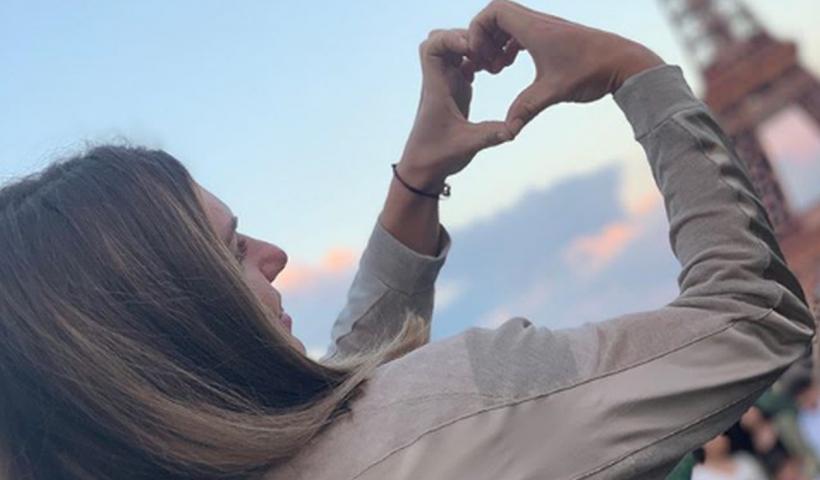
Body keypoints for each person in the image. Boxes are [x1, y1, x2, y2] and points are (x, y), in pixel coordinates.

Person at [0, 1, 815, 478]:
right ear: (176, 324)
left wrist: (416, 182)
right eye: (234, 247)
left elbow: (337, 415)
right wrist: (631, 71)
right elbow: (758, 320)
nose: (275, 255)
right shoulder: (462, 409)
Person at [692, 434, 768, 480]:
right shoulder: (698, 475)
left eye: (723, 434)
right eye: (714, 437)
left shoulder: (745, 460)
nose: (720, 438)